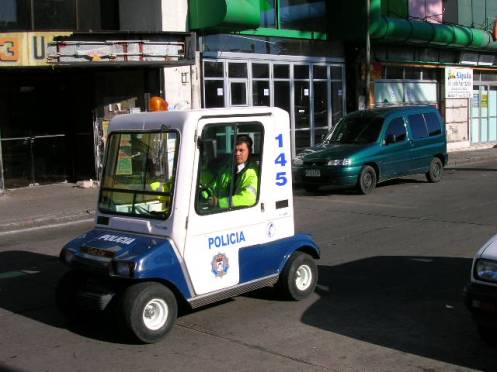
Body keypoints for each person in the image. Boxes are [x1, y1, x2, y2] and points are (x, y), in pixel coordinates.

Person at [206, 135, 259, 209]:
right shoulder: (228, 167)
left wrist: (219, 202)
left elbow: (248, 198)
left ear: (249, 151)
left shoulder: (251, 172)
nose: (237, 153)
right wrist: (205, 195)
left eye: (241, 150)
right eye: (235, 150)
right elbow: (215, 186)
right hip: (220, 211)